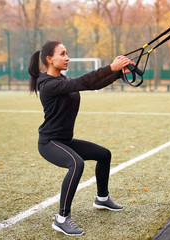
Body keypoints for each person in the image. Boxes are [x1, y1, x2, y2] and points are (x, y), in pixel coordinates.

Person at [28, 40, 133, 236]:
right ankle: (62, 218)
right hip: (49, 143)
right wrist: (110, 67)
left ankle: (102, 199)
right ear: (49, 59)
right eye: (62, 54)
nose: (67, 57)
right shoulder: (49, 85)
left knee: (104, 155)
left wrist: (117, 73)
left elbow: (91, 84)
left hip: (64, 141)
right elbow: (84, 82)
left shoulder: (62, 80)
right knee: (76, 163)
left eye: (66, 53)